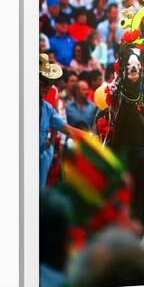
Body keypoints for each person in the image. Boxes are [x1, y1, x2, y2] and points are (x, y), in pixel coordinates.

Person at [39, 54, 87, 189]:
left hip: (41, 157)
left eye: (50, 82)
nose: (48, 86)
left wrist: (91, 138)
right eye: (43, 82)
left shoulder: (47, 109)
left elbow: (69, 130)